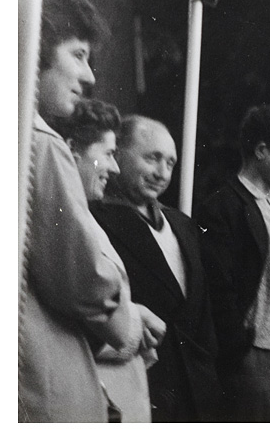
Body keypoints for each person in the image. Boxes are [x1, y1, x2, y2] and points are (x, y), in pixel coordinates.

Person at [19, 0, 165, 422]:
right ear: (35, 43)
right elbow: (84, 278)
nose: (90, 77)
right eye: (78, 55)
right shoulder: (40, 142)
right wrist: (132, 323)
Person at [90, 115, 223, 422]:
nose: (162, 173)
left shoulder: (183, 225)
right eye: (152, 158)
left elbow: (202, 313)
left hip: (196, 394)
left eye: (171, 163)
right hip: (138, 384)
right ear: (118, 153)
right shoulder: (95, 217)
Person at [193, 105, 270, 422]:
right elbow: (218, 288)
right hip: (256, 357)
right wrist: (239, 353)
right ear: (261, 150)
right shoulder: (223, 206)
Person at [53, 100, 157, 422]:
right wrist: (135, 322)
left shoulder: (83, 216)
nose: (114, 169)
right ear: (72, 149)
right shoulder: (63, 221)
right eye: (109, 154)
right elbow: (81, 324)